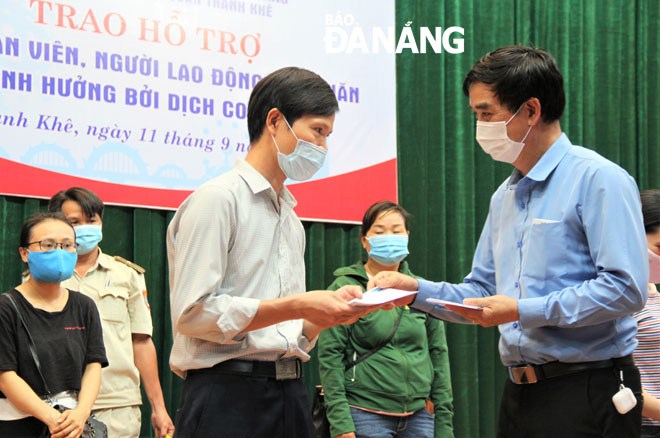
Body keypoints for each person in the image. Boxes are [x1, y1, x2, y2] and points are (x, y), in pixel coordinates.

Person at [372, 45, 648, 437]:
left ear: (531, 111)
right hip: (520, 392)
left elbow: (626, 289)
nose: (479, 127)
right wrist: (413, 290)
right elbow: (483, 290)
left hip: (589, 388)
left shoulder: (599, 179)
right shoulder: (504, 196)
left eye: (486, 113)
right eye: (476, 115)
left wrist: (522, 309)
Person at [167, 66, 377, 438]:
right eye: (317, 131)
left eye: (328, 135)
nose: (323, 148)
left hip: (290, 393)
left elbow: (284, 331)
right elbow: (193, 314)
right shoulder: (218, 200)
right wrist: (298, 305)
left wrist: (327, 313)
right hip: (226, 396)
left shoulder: (291, 219)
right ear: (275, 121)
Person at [46, 187, 175, 438]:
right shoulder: (43, 277)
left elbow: (142, 341)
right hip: (59, 405)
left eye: (91, 220)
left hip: (117, 404)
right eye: (74, 222)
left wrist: (159, 407)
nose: (84, 228)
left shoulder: (127, 275)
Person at [318, 201, 454, 438]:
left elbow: (439, 357)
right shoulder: (346, 288)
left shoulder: (421, 291)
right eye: (379, 232)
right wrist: (341, 424)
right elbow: (330, 358)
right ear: (364, 240)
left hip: (419, 417)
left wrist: (444, 425)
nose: (389, 237)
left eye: (396, 231)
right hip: (364, 414)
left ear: (407, 236)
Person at [0, 212, 108, 437]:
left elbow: (93, 365)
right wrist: (52, 418)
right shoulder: (6, 308)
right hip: (20, 426)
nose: (59, 252)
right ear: (24, 253)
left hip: (73, 425)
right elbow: (5, 375)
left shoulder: (84, 306)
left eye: (67, 245)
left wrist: (81, 413)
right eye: (47, 244)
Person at [633, 189, 660, 437]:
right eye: (659, 246)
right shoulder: (617, 298)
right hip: (643, 427)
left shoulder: (652, 288)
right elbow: (611, 376)